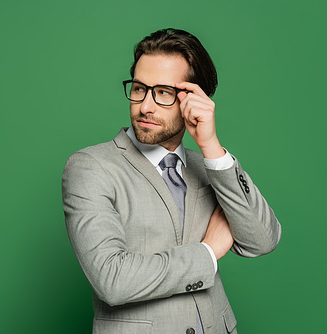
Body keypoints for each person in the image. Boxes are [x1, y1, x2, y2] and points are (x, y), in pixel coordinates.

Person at [61, 28, 281, 334]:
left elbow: (262, 240)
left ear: (194, 99)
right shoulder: (91, 167)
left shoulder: (206, 167)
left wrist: (212, 147)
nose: (145, 106)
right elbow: (112, 279)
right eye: (139, 88)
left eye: (163, 92)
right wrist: (208, 251)